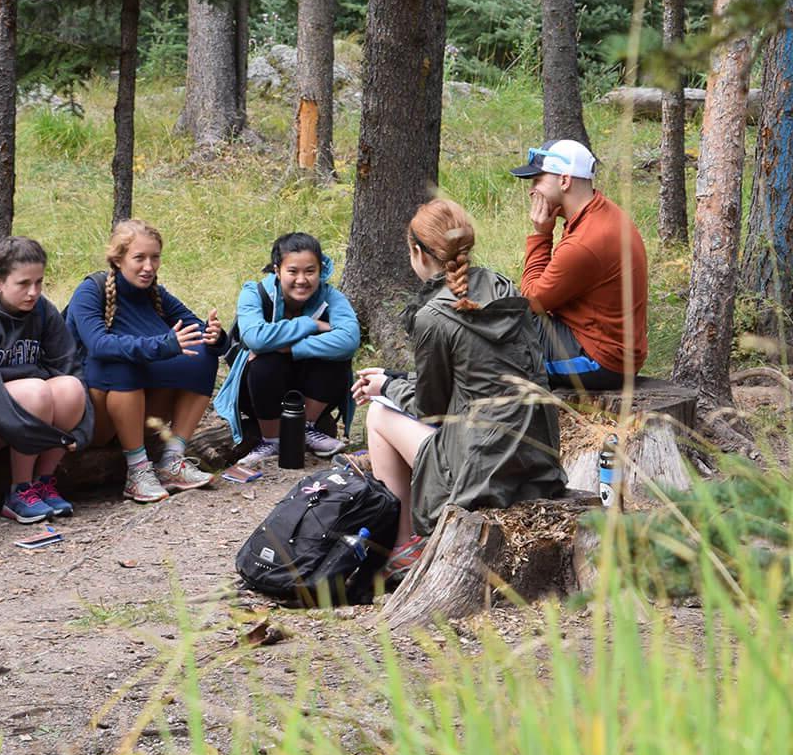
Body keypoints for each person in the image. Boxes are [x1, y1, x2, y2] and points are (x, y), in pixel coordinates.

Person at [353, 198, 566, 576]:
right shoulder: (504, 287)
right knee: (391, 402)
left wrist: (384, 388)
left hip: (482, 469)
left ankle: (404, 547)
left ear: (417, 252)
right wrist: (394, 378)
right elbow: (476, 380)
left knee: (379, 416)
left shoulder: (434, 316)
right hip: (538, 457)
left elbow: (430, 408)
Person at [65, 219, 227, 503]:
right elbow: (98, 344)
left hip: (140, 409)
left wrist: (215, 336)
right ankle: (137, 471)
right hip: (94, 415)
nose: (149, 267)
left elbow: (193, 329)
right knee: (119, 362)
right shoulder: (91, 291)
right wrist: (162, 346)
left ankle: (172, 460)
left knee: (203, 356)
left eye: (155, 257)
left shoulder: (155, 294)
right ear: (118, 259)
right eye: (139, 258)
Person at [0, 236, 93, 523]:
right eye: (23, 284)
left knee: (70, 389)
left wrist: (82, 430)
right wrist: (34, 427)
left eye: (39, 282)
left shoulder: (42, 309)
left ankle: (43, 482)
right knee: (36, 392)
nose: (33, 292)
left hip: (29, 416)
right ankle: (19, 490)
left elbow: (69, 365)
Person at [510, 139, 648, 390]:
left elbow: (532, 301)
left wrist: (541, 235)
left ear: (564, 180)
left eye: (538, 180)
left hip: (599, 361)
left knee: (497, 341)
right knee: (500, 317)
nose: (532, 190)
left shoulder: (585, 241)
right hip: (611, 349)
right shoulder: (601, 213)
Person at [214, 232, 360, 466]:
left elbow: (349, 340)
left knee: (336, 356)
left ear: (320, 270)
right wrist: (310, 324)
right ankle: (271, 439)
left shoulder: (330, 296)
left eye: (310, 271)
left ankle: (304, 429)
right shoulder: (254, 293)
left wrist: (292, 349)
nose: (302, 280)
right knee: (265, 359)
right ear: (277, 270)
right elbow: (255, 339)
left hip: (311, 389)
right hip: (255, 391)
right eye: (293, 271)